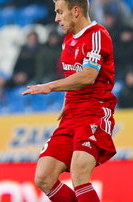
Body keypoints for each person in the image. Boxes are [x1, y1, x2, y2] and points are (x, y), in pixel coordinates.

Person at [22, 0, 117, 201]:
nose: (56, 18)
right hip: (71, 116)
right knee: (43, 177)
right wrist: (66, 102)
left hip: (94, 112)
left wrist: (49, 86)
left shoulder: (97, 35)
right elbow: (72, 76)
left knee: (79, 174)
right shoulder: (68, 39)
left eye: (59, 12)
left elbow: (89, 75)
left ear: (75, 11)